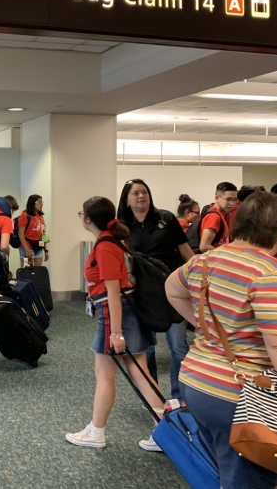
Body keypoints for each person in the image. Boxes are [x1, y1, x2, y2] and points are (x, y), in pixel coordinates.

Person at [165, 191, 277, 489]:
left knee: (247, 473)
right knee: (247, 478)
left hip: (199, 383)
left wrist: (208, 329)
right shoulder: (270, 273)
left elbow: (172, 289)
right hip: (243, 397)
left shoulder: (206, 261)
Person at [66, 196, 163, 450]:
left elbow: (113, 292)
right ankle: (165, 430)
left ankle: (96, 432)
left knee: (105, 374)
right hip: (127, 311)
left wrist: (116, 332)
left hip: (115, 314)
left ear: (88, 219)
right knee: (139, 372)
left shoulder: (105, 246)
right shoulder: (115, 240)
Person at [116, 179, 194, 417]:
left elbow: (184, 250)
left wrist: (198, 274)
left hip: (172, 290)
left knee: (178, 346)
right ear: (127, 200)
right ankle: (154, 397)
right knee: (146, 348)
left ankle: (180, 396)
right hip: (141, 294)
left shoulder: (166, 218)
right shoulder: (121, 226)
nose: (141, 196)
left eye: (145, 192)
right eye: (135, 193)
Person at [198, 182, 237, 252]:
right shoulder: (213, 217)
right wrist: (226, 253)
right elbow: (204, 246)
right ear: (217, 198)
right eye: (228, 199)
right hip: (215, 257)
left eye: (234, 199)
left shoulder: (223, 214)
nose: (232, 203)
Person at [17, 194, 49, 268]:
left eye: (42, 202)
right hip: (27, 247)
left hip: (39, 247)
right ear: (33, 203)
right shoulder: (25, 215)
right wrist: (26, 250)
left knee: (37, 271)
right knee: (26, 270)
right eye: (39, 202)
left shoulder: (41, 217)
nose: (41, 204)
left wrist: (46, 250)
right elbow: (20, 233)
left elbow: (43, 234)